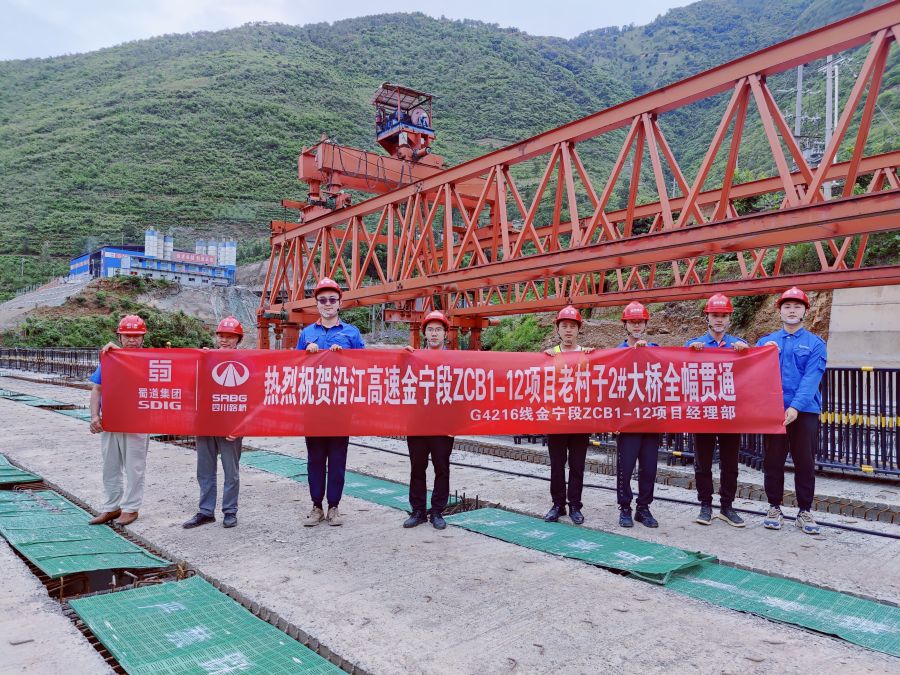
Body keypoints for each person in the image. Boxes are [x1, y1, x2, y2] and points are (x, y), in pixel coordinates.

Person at [756, 287, 827, 535]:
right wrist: (764, 354)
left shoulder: (815, 344)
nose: (792, 311)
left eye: (797, 306)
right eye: (787, 306)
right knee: (772, 461)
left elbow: (811, 379)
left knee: (804, 461)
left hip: (805, 411)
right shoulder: (766, 343)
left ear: (805, 311)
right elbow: (753, 374)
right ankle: (774, 507)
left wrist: (796, 406)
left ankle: (804, 510)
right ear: (780, 311)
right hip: (774, 412)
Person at [297, 278, 365, 527]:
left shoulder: (351, 333)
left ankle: (334, 506)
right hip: (314, 407)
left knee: (337, 459)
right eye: (323, 300)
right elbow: (293, 367)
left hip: (340, 407)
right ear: (317, 304)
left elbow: (366, 364)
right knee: (315, 459)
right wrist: (306, 354)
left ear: (339, 303)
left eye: (332, 300)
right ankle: (316, 506)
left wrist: (344, 357)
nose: (327, 304)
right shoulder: (306, 334)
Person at [685, 293, 749, 527]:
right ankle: (705, 505)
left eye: (723, 315)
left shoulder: (738, 345)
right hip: (704, 413)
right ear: (707, 318)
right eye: (715, 315)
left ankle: (727, 507)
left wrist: (747, 354)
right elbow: (681, 370)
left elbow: (752, 373)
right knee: (703, 462)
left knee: (730, 463)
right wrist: (690, 353)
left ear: (729, 319)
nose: (719, 319)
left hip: (730, 414)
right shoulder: (694, 344)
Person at [88, 315, 151, 527]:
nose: (132, 340)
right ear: (120, 336)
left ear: (143, 338)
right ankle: (111, 506)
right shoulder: (110, 359)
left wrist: (120, 354)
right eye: (127, 336)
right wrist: (95, 416)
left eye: (136, 336)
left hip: (137, 422)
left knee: (134, 467)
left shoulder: (150, 359)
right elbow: (97, 388)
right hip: (111, 421)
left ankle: (131, 508)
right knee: (110, 466)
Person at [183, 316, 245, 530]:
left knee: (231, 472)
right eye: (221, 336)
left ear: (238, 339)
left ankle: (230, 511)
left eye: (230, 336)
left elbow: (251, 396)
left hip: (230, 426)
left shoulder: (247, 361)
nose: (224, 340)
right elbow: (191, 387)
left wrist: (241, 425)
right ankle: (206, 511)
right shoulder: (205, 358)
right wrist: (200, 360)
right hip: (206, 422)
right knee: (205, 469)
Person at [402, 310, 454, 530]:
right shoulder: (413, 357)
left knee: (442, 468)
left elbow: (463, 393)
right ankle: (418, 511)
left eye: (438, 330)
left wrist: (456, 423)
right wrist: (402, 358)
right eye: (430, 330)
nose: (434, 334)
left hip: (443, 426)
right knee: (417, 468)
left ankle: (437, 511)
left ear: (445, 334)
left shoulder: (455, 361)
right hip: (418, 424)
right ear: (424, 333)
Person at [543, 305, 593, 525]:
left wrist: (595, 358)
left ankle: (575, 505)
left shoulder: (587, 355)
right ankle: (558, 505)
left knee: (577, 465)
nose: (569, 330)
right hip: (556, 419)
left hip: (580, 420)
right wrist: (543, 360)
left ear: (579, 329)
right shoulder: (549, 355)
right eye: (564, 326)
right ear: (558, 329)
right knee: (557, 465)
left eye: (572, 326)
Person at [615, 301, 661, 528]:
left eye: (640, 322)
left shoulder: (655, 349)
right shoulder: (617, 353)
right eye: (632, 322)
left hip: (651, 420)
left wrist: (647, 352)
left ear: (645, 324)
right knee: (625, 468)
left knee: (649, 468)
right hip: (628, 421)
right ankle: (625, 507)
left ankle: (643, 508)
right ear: (625, 325)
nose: (636, 326)